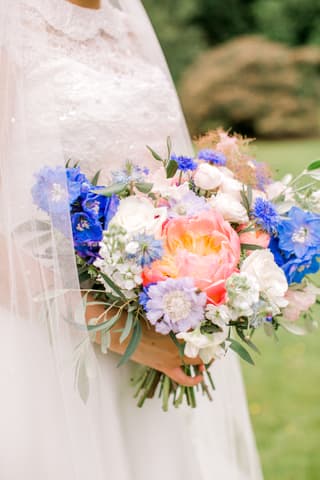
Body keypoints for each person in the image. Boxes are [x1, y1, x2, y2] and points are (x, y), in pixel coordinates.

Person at [0, 0, 263, 478]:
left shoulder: (125, 22)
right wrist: (121, 332)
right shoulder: (10, 24)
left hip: (155, 315)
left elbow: (167, 178)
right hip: (49, 338)